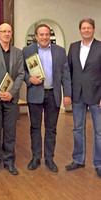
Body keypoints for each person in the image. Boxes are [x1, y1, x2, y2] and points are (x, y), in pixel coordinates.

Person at [23, 23, 71, 172]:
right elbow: (22, 71)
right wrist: (29, 79)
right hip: (35, 93)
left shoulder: (60, 51)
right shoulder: (27, 51)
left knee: (51, 129)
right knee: (35, 128)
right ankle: (36, 157)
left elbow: (65, 74)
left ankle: (49, 159)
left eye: (46, 34)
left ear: (49, 36)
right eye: (41, 34)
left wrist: (67, 94)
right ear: (36, 36)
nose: (44, 37)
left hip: (53, 94)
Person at [0, 23, 25, 175]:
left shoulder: (18, 52)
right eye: (3, 31)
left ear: (11, 33)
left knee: (10, 132)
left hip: (11, 99)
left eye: (9, 31)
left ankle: (9, 162)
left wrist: (12, 93)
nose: (7, 34)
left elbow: (21, 74)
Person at [65, 18, 101, 178]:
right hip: (77, 95)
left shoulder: (100, 47)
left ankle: (99, 163)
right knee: (77, 128)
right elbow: (68, 72)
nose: (86, 30)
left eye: (89, 28)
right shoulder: (73, 47)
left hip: (96, 95)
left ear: (93, 30)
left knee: (99, 131)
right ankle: (78, 159)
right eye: (83, 28)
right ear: (80, 30)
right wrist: (67, 93)